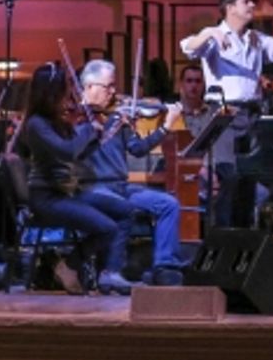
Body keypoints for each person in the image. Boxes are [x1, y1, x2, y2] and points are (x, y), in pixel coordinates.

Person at [180, 0, 273, 227]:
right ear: (230, 8)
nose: (252, 5)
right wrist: (209, 32)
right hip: (225, 114)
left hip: (252, 113)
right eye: (246, 1)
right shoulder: (214, 37)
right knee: (227, 175)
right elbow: (188, 47)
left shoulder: (255, 39)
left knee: (249, 177)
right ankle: (222, 235)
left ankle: (244, 234)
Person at [17, 62, 129, 295]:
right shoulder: (37, 124)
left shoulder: (57, 121)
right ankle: (69, 265)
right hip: (47, 198)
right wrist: (88, 129)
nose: (68, 97)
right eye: (63, 91)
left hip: (65, 193)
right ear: (49, 93)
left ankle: (110, 272)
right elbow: (66, 151)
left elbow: (77, 155)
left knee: (125, 211)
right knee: (107, 228)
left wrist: (102, 136)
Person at [78, 59, 185, 287]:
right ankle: (111, 271)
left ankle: (165, 267)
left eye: (114, 86)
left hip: (121, 186)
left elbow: (138, 150)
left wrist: (165, 126)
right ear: (89, 87)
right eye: (108, 86)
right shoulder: (76, 119)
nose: (114, 92)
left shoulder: (118, 117)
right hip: (93, 187)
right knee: (122, 209)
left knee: (169, 204)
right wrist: (99, 126)